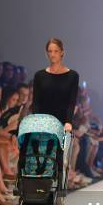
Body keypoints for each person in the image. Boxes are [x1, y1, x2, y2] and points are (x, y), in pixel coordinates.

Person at [32, 38, 79, 183]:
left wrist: (68, 122)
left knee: (61, 156)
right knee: (43, 156)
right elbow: (36, 102)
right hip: (44, 121)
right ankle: (43, 188)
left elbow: (71, 102)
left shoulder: (72, 76)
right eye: (50, 51)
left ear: (62, 53)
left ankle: (59, 190)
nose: (52, 54)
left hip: (63, 121)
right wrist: (37, 121)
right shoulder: (39, 76)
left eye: (56, 51)